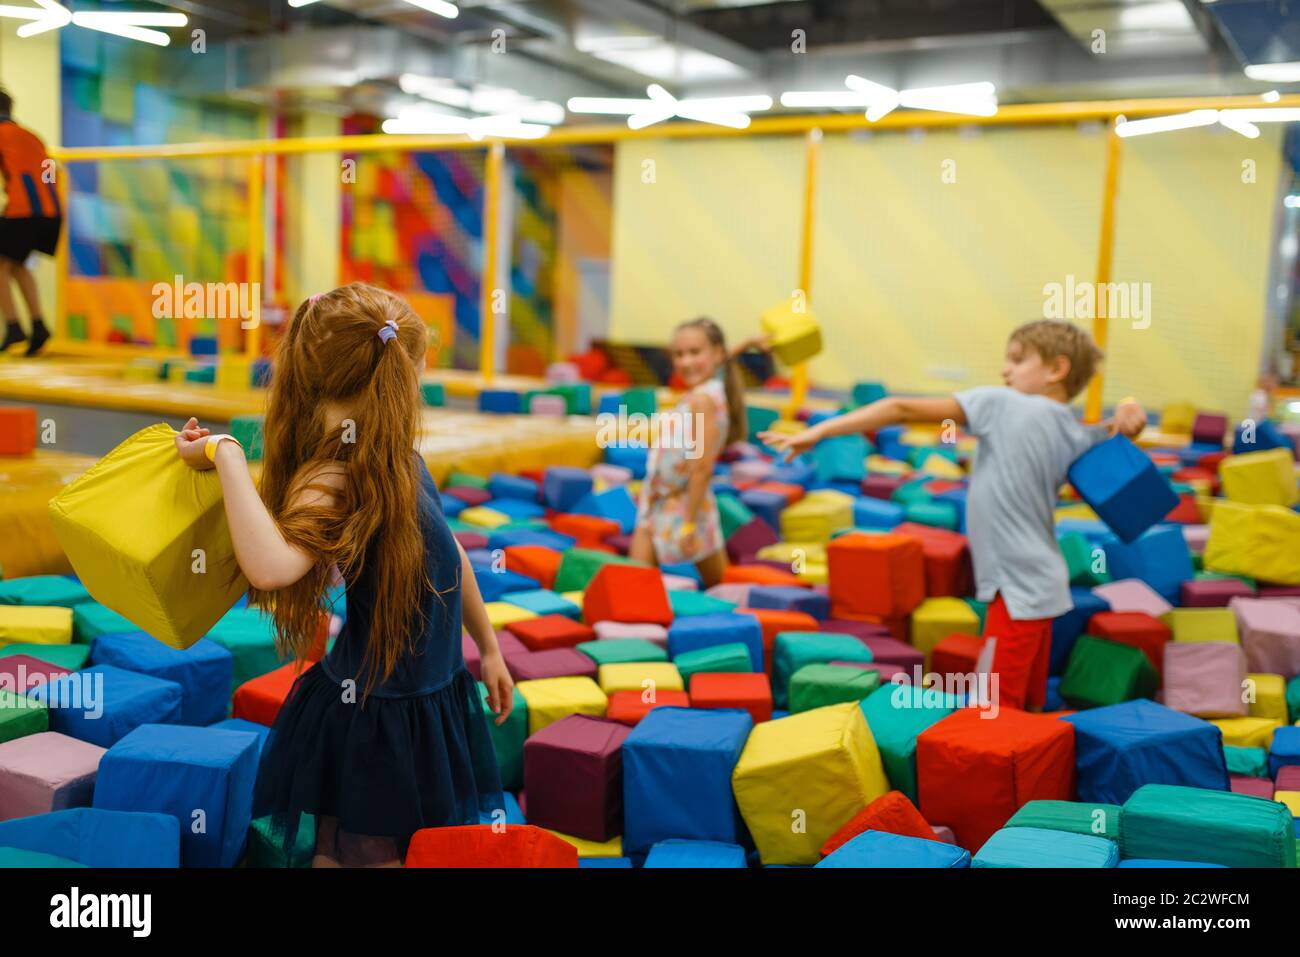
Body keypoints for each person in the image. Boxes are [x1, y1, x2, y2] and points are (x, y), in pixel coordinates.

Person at [174, 283, 511, 866]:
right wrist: (227, 453)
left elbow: (450, 556)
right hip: (376, 709)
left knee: (360, 844)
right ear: (399, 381)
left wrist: (489, 646)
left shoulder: (398, 459)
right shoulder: (335, 476)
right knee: (364, 850)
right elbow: (272, 567)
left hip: (424, 694)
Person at [762, 320, 1147, 711]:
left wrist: (821, 431)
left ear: (1055, 370)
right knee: (1021, 707)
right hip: (1042, 584)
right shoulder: (1074, 431)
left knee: (994, 709)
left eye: (1017, 359)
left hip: (1017, 590)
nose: (1005, 370)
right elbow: (1120, 433)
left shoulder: (1003, 403)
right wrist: (1130, 409)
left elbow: (900, 408)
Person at [630, 318, 753, 588]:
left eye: (694, 352)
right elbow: (717, 360)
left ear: (717, 353)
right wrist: (747, 344)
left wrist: (687, 522)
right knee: (638, 584)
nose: (685, 362)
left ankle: (741, 621)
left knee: (719, 585)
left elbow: (702, 466)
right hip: (661, 500)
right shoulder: (712, 387)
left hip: (683, 502)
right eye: (679, 354)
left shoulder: (702, 400)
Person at [0, 88, 60, 356]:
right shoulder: (31, 135)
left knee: (1, 265)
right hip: (51, 210)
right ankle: (38, 325)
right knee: (16, 264)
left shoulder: (3, 134)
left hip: (24, 210)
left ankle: (13, 326)